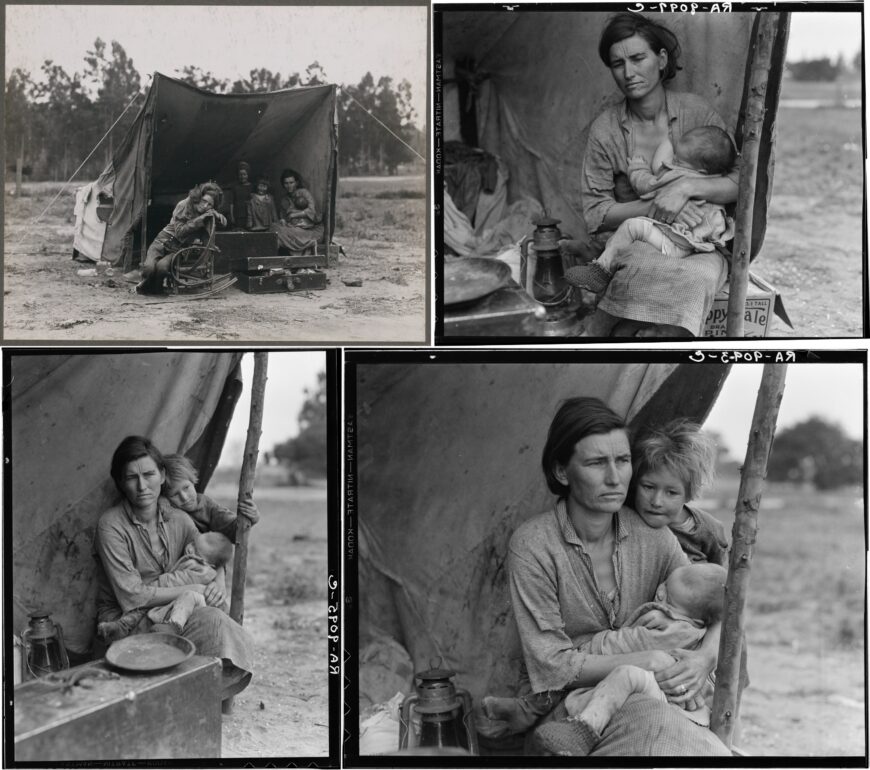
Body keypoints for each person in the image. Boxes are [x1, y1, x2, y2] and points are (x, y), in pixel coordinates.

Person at [496, 397, 729, 756]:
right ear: (562, 472)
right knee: (659, 731)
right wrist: (644, 659)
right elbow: (553, 665)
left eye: (622, 461)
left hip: (655, 694)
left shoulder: (655, 536)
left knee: (675, 729)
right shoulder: (533, 546)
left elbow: (710, 605)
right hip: (574, 708)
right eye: (596, 463)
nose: (614, 477)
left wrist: (705, 658)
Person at [564, 13, 740, 337]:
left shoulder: (697, 113)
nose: (628, 73)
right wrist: (657, 205)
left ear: (660, 60)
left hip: (700, 244)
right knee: (640, 273)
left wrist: (686, 188)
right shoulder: (606, 129)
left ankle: (667, 365)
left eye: (637, 58)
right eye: (618, 64)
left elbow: (741, 183)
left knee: (696, 281)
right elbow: (596, 214)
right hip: (641, 240)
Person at [94, 436, 254, 700]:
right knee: (211, 619)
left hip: (171, 617)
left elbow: (207, 554)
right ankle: (180, 695)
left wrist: (217, 582)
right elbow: (131, 597)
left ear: (162, 476)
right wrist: (193, 588)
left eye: (149, 474)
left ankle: (189, 696)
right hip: (127, 622)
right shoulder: (111, 525)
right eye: (132, 477)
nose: (142, 486)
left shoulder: (179, 519)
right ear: (121, 483)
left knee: (216, 612)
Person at [484, 561, 726, 732]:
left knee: (570, 685)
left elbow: (627, 644)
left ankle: (529, 712)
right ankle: (526, 710)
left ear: (698, 619)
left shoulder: (674, 631)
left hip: (654, 690)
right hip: (659, 686)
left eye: (668, 599)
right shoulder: (685, 621)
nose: (659, 594)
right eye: (663, 586)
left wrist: (592, 648)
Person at [565, 126, 736, 309]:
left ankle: (600, 271)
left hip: (677, 245)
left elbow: (646, 185)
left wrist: (637, 167)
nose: (672, 162)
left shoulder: (679, 176)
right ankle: (597, 257)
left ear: (700, 171)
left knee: (632, 227)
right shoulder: (715, 182)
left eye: (678, 160)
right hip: (698, 244)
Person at [97, 530, 234, 642]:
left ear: (209, 564)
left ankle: (173, 626)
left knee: (185, 598)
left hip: (183, 601)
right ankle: (121, 627)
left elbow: (177, 580)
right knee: (141, 610)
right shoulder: (197, 560)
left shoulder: (202, 571)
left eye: (196, 551)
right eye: (193, 543)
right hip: (172, 598)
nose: (189, 548)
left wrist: (156, 586)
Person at [631, 419, 728, 566]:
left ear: (689, 494)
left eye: (671, 492)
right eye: (648, 487)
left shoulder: (709, 530)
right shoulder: (626, 520)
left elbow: (720, 575)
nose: (656, 502)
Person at [138, 182, 227, 295]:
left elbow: (220, 224)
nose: (205, 206)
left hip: (178, 248)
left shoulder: (207, 213)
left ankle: (157, 289)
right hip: (162, 241)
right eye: (204, 201)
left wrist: (218, 216)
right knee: (149, 269)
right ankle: (146, 286)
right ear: (199, 197)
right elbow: (180, 232)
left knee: (162, 268)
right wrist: (200, 219)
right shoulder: (184, 205)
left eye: (209, 205)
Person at [162, 453, 260, 541]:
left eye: (186, 488)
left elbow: (232, 528)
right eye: (174, 494)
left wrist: (251, 518)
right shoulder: (167, 509)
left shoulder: (208, 506)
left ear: (193, 482)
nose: (184, 497)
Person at [272, 169, 324, 253]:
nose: (289, 186)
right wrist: (283, 220)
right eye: (286, 183)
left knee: (280, 233)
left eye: (291, 182)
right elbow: (283, 217)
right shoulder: (284, 200)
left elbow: (311, 211)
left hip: (309, 229)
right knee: (274, 227)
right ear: (283, 184)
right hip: (294, 227)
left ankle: (308, 243)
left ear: (296, 183)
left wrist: (295, 215)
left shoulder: (304, 193)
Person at [227, 161, 254, 229]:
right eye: (240, 174)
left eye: (244, 174)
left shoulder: (252, 187)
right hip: (238, 216)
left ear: (248, 175)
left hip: (249, 216)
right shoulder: (235, 187)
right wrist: (232, 216)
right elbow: (231, 203)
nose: (242, 176)